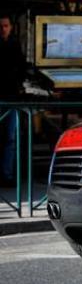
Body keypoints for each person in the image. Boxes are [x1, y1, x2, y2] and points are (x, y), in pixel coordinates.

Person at [0, 15, 26, 187]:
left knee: (10, 138)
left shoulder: (15, 45)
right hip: (4, 96)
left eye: (6, 26)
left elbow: (21, 68)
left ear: (11, 27)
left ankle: (6, 174)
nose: (3, 29)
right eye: (1, 26)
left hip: (12, 97)